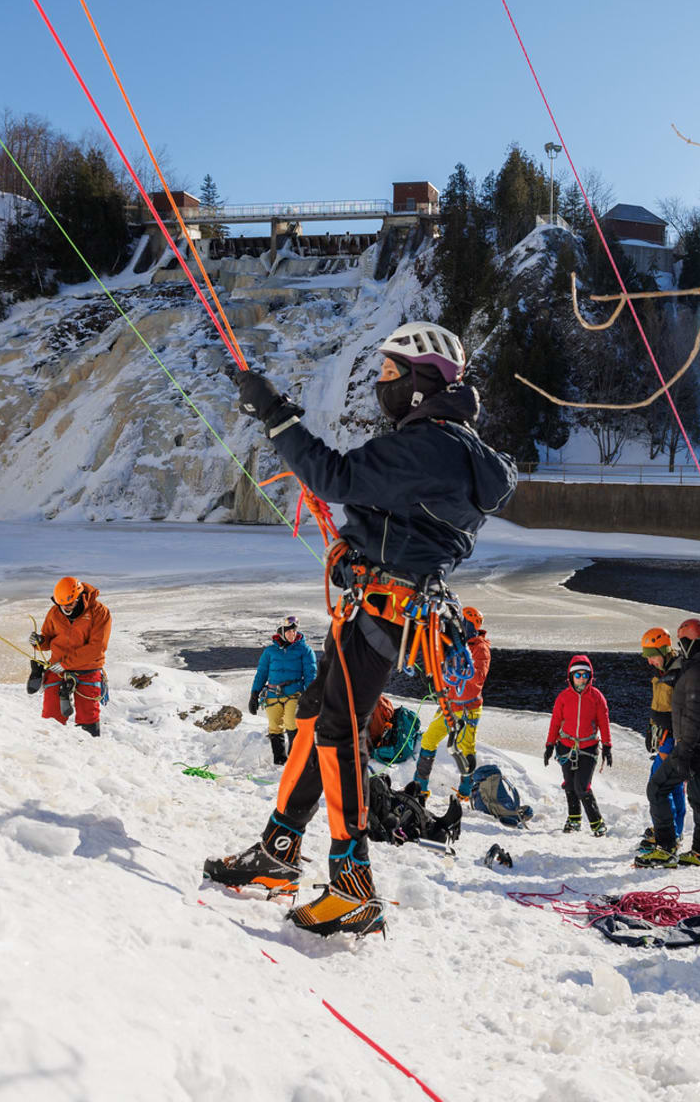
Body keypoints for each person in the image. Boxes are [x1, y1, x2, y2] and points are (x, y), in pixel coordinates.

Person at [203, 321, 517, 936]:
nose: (381, 385)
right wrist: (361, 547)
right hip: (385, 605)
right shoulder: (453, 449)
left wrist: (274, 413)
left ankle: (352, 883)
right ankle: (278, 849)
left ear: (423, 383)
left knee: (340, 734)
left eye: (391, 374)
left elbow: (333, 478)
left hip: (380, 611)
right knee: (318, 720)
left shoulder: (429, 444)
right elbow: (400, 521)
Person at [635, 617, 700, 868]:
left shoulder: (695, 672)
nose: (680, 646)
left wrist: (681, 753)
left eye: (682, 641)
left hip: (691, 748)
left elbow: (693, 717)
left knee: (657, 788)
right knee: (699, 798)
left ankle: (666, 847)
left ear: (687, 642)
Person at [410, 606, 490, 800]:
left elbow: (478, 677)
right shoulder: (452, 644)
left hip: (468, 709)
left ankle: (466, 791)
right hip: (449, 705)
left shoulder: (480, 647)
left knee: (466, 747)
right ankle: (419, 786)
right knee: (429, 739)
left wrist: (460, 666)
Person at [29, 576, 111, 738]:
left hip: (88, 669)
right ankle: (52, 746)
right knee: (51, 714)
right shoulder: (54, 613)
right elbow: (48, 639)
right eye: (62, 605)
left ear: (80, 597)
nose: (66, 608)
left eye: (70, 604)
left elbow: (97, 648)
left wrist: (67, 663)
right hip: (58, 667)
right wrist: (39, 641)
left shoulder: (99, 612)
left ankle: (89, 748)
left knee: (88, 715)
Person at [544, 654, 612, 835]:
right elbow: (556, 722)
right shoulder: (563, 697)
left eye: (584, 675)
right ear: (571, 676)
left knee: (582, 786)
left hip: (588, 748)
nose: (581, 678)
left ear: (590, 676)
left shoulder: (597, 697)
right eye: (577, 674)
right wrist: (549, 745)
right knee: (569, 784)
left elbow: (604, 722)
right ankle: (574, 820)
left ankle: (597, 823)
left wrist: (607, 746)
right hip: (566, 747)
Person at [637, 626, 686, 852]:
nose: (649, 662)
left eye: (652, 656)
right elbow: (659, 707)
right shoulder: (663, 673)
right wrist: (651, 728)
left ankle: (668, 834)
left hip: (673, 740)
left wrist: (676, 743)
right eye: (647, 657)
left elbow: (683, 713)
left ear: (665, 650)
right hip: (664, 737)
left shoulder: (679, 675)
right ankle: (672, 831)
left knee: (659, 785)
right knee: (670, 786)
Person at [249, 616, 317, 765]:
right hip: (272, 694)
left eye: (294, 631)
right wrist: (254, 694)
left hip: (294, 693)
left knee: (291, 723)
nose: (292, 634)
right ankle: (279, 760)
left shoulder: (305, 650)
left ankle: (294, 760)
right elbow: (262, 673)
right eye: (289, 631)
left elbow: (310, 674)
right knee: (274, 726)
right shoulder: (270, 652)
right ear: (281, 632)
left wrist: (310, 696)